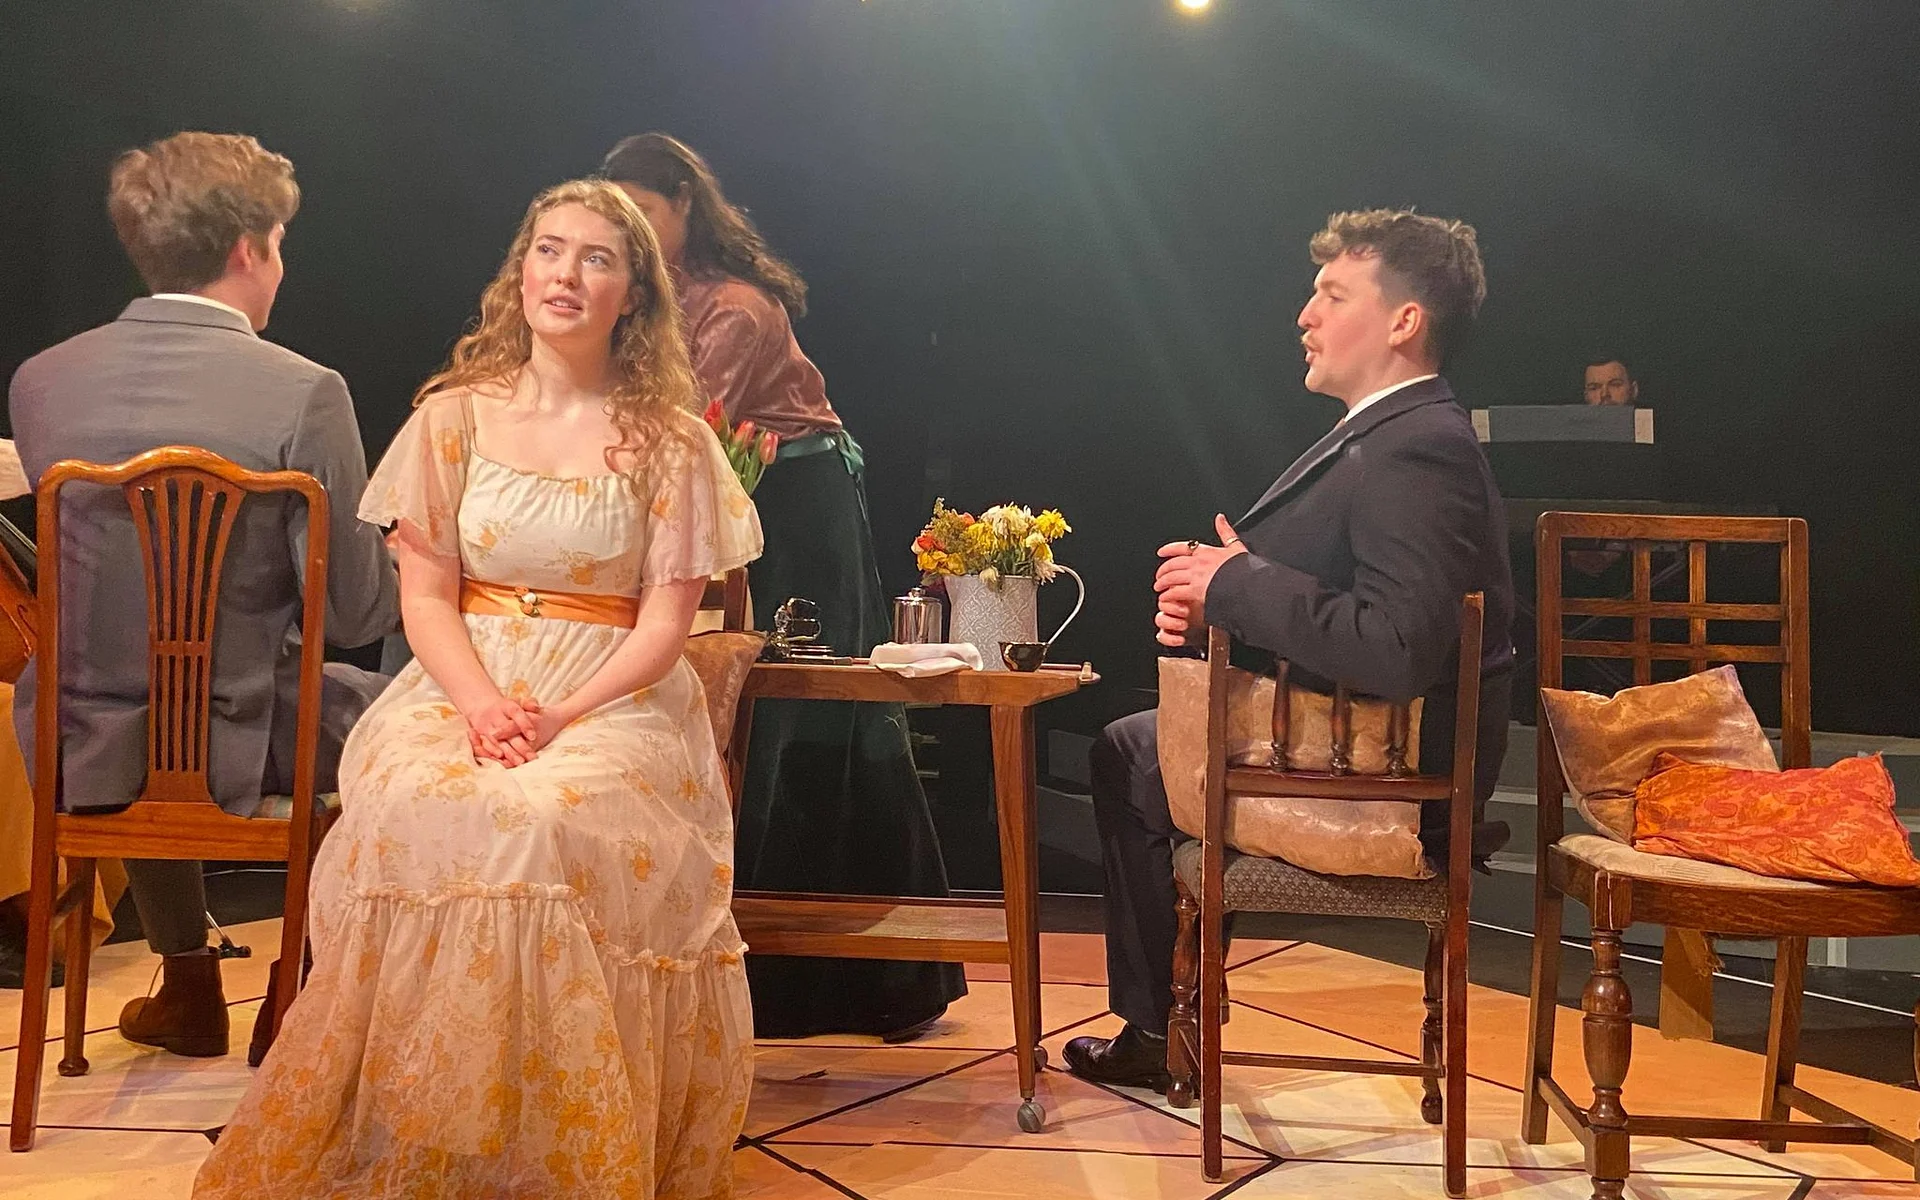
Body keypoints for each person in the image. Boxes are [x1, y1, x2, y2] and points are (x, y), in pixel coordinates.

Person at [195, 178, 762, 1199]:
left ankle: (548, 1146)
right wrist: (483, 706)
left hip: (611, 698)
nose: (566, 274)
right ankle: (433, 1128)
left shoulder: (672, 441)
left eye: (596, 258)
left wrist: (561, 713)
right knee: (415, 801)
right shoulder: (452, 418)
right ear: (521, 270)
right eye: (549, 249)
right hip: (464, 682)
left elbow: (665, 628)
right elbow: (424, 598)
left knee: (537, 819)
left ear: (633, 293)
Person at [1062, 209, 1515, 1089]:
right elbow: (1345, 603)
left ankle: (1163, 1032)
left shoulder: (1418, 448)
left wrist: (1236, 585)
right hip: (1357, 743)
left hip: (1396, 783)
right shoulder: (1386, 434)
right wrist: (1221, 601)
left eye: (1332, 295)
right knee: (1140, 747)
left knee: (1131, 754)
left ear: (1404, 320)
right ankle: (1173, 1018)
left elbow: (1397, 645)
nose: (1305, 315)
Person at [6, 132, 397, 1054]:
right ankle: (300, 985)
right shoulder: (306, 392)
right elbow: (354, 612)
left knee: (148, 697)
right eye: (281, 244)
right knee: (412, 725)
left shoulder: (42, 381)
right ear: (247, 250)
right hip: (248, 742)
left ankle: (187, 983)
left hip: (77, 742)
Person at [600, 133, 964, 1040]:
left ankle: (872, 982)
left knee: (808, 715)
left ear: (686, 204)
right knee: (732, 720)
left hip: (796, 509)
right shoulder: (647, 299)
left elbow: (684, 425)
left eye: (646, 212)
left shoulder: (734, 307)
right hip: (725, 503)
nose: (633, 232)